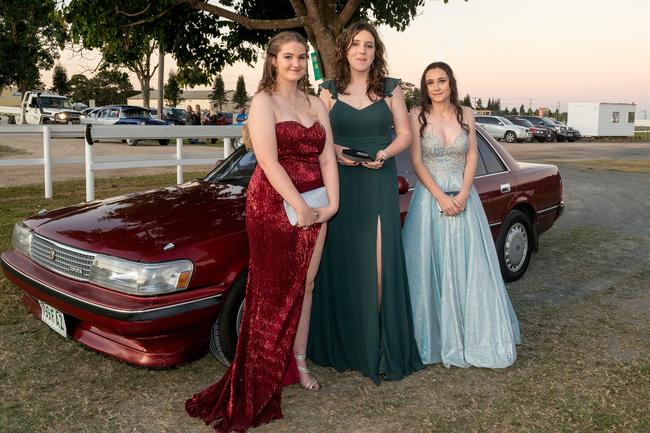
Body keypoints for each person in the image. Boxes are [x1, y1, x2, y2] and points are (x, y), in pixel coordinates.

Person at [185, 31, 338, 432]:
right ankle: (259, 373)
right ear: (272, 60)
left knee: (305, 284)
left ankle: (298, 365)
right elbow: (268, 161)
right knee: (270, 289)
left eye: (302, 57)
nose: (296, 64)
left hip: (318, 202)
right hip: (273, 204)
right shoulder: (263, 102)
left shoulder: (316, 104)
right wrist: (300, 206)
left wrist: (332, 204)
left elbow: (327, 157)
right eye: (288, 57)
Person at [307, 22, 423, 384]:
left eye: (369, 45)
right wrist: (337, 151)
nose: (362, 51)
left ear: (376, 52)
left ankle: (379, 346)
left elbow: (405, 134)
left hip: (377, 180)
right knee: (339, 264)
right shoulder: (326, 92)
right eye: (355, 44)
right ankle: (344, 344)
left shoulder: (391, 89)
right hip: (338, 184)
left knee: (377, 266)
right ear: (344, 49)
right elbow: (318, 138)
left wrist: (385, 154)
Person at [402, 61, 521, 368]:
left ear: (451, 83)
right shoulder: (417, 115)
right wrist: (441, 197)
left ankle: (472, 336)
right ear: (425, 87)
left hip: (465, 199)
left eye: (442, 80)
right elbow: (416, 161)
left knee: (470, 267)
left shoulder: (466, 113)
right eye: (430, 82)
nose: (437, 86)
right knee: (429, 267)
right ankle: (434, 337)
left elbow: (471, 156)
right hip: (430, 201)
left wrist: (465, 193)